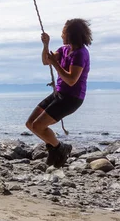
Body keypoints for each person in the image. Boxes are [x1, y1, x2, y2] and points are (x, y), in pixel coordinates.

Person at [26, 18, 92, 168]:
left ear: (72, 35)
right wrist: (45, 45)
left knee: (38, 126)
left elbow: (71, 80)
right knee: (30, 124)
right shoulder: (64, 50)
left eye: (64, 33)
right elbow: (45, 61)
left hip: (72, 98)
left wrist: (55, 63)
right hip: (60, 94)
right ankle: (56, 149)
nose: (62, 36)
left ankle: (59, 148)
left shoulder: (81, 54)